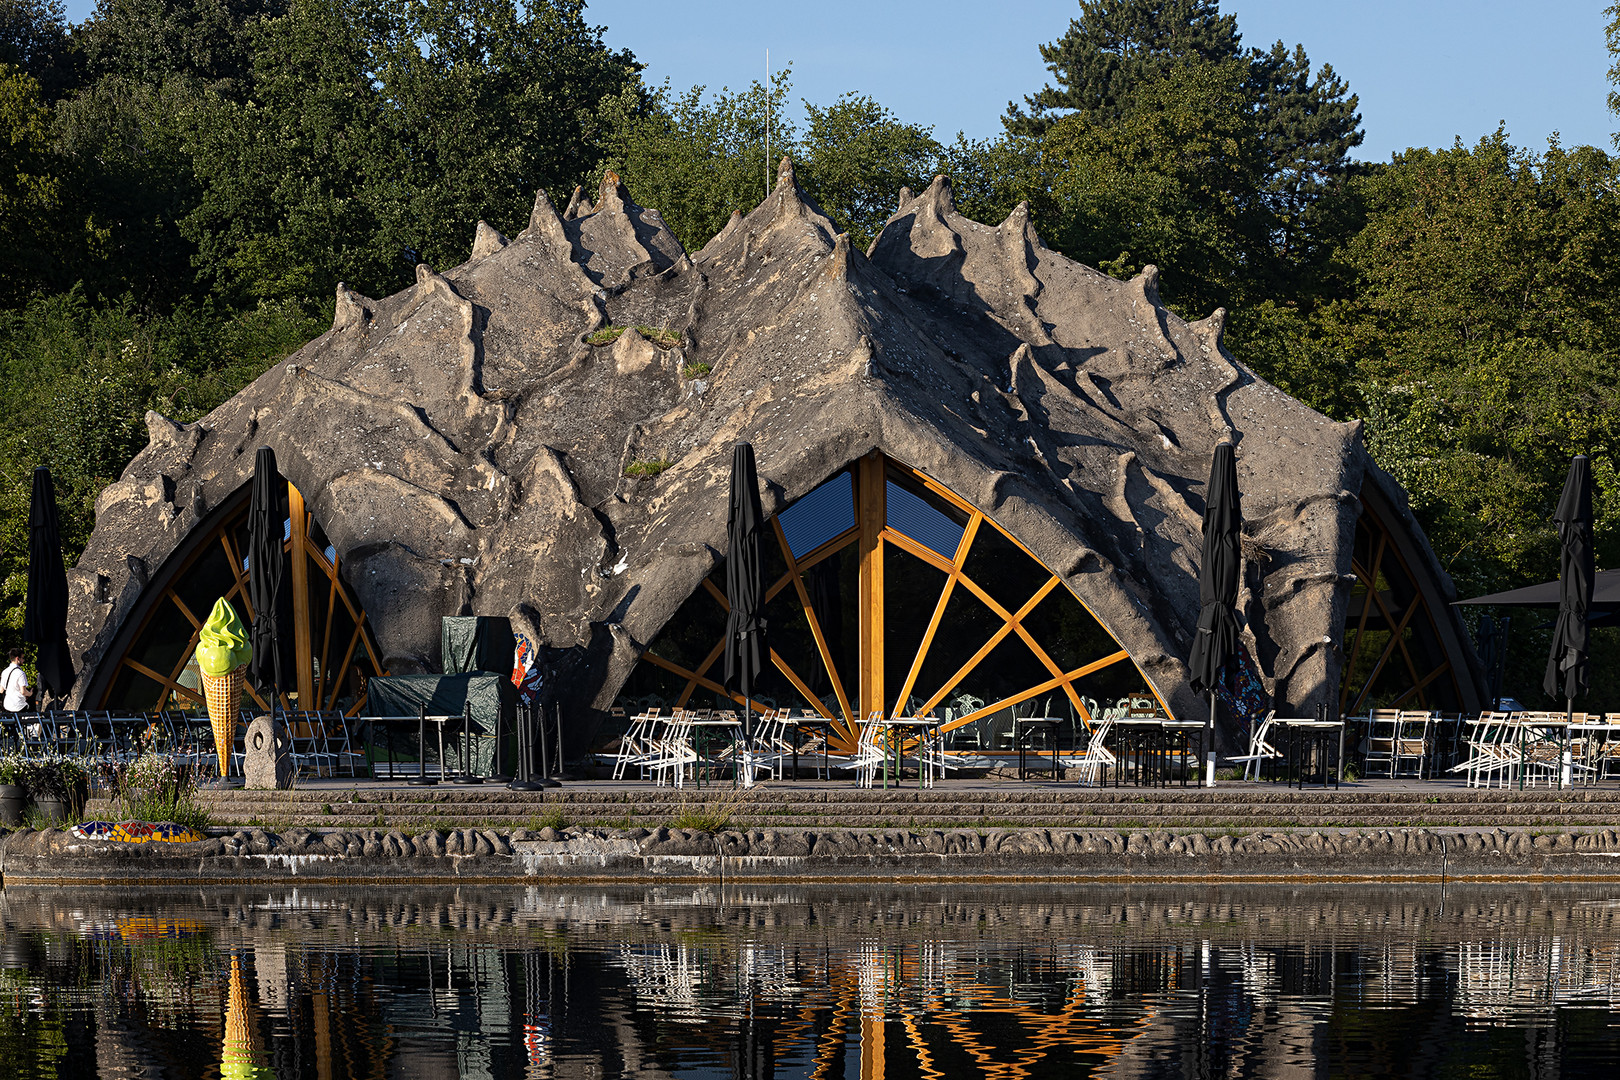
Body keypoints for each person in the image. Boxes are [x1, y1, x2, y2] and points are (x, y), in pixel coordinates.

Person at [2, 648, 31, 715]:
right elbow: (23, 692)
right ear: (18, 659)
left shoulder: (5, 672)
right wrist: (30, 694)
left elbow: (1, 690)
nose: (23, 660)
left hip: (7, 705)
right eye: (22, 658)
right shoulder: (20, 673)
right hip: (18, 706)